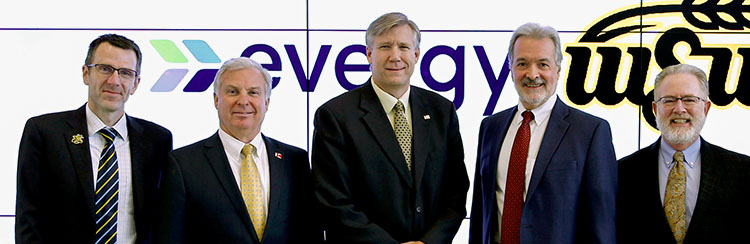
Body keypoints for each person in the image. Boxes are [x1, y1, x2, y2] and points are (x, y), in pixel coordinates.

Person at [311, 12, 468, 244]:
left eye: (403, 47)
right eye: (385, 46)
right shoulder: (336, 116)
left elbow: (456, 193)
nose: (395, 56)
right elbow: (333, 202)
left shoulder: (441, 112)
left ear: (416, 55)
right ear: (369, 54)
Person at [15, 34, 173, 244]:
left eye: (125, 73)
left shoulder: (157, 140)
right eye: (105, 69)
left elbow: (163, 221)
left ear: (135, 84)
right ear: (86, 73)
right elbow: (29, 219)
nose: (114, 81)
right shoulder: (44, 133)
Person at [468, 22, 617, 244]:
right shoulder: (491, 127)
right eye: (522, 63)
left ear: (557, 69)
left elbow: (602, 226)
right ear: (510, 69)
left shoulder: (591, 132)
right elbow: (481, 214)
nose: (532, 74)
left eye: (543, 64)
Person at [153, 57, 322, 243]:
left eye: (253, 92)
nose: (243, 101)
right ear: (217, 100)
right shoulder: (183, 164)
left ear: (267, 102)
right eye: (233, 91)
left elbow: (310, 234)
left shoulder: (295, 160)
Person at [617, 63, 750, 244]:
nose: (679, 109)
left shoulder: (740, 169)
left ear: (706, 108)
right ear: (655, 109)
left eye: (689, 99)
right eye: (669, 100)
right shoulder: (624, 170)